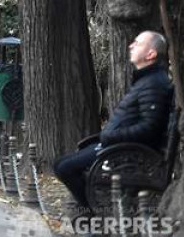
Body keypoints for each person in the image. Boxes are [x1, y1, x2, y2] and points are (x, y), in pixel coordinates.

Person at [52, 30, 174, 213]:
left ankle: (95, 213)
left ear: (151, 54)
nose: (131, 45)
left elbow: (150, 129)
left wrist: (111, 136)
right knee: (61, 164)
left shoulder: (154, 83)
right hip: (117, 147)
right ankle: (95, 207)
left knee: (65, 168)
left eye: (138, 43)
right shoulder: (147, 80)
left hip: (127, 153)